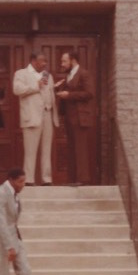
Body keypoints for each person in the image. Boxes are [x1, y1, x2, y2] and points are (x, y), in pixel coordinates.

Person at [12, 53, 58, 186]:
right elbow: (17, 90)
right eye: (42, 61)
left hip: (47, 114)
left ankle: (46, 179)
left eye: (46, 61)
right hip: (31, 116)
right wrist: (36, 86)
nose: (45, 64)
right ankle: (29, 179)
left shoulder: (48, 75)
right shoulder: (21, 73)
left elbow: (50, 93)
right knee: (30, 151)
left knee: (47, 149)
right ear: (33, 61)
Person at [55, 51, 94, 186]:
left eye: (64, 61)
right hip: (69, 117)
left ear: (73, 60)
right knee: (71, 148)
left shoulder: (84, 73)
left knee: (80, 149)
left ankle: (82, 179)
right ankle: (72, 179)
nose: (62, 64)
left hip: (80, 117)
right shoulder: (69, 76)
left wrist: (69, 95)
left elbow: (89, 93)